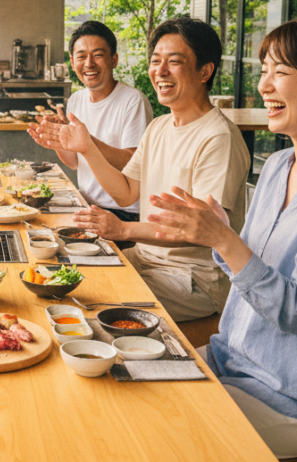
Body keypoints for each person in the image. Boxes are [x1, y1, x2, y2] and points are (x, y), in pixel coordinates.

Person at [147, 15, 297, 462]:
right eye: (264, 70)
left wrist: (224, 241)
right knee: (124, 380)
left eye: (281, 71)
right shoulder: (279, 166)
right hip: (235, 361)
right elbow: (252, 268)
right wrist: (221, 232)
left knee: (161, 437)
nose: (264, 86)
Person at [54, 18, 249, 321]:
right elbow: (125, 193)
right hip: (145, 258)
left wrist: (122, 229)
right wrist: (86, 148)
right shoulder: (159, 126)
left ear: (205, 71)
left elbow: (201, 230)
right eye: (156, 61)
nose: (160, 71)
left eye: (174, 62)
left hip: (194, 279)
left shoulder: (218, 137)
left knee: (95, 310)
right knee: (65, 279)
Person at [27, 20, 152, 222]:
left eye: (98, 55)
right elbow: (75, 162)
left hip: (124, 213)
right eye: (81, 56)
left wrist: (87, 142)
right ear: (72, 61)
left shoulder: (133, 101)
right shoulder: (76, 99)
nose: (89, 64)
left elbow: (133, 162)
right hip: (85, 203)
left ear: (114, 59)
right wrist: (58, 141)